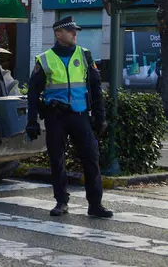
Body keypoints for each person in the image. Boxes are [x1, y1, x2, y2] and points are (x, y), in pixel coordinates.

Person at [26, 16, 113, 218]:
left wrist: (100, 117)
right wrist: (32, 121)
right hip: (55, 117)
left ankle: (95, 205)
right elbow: (32, 93)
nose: (75, 34)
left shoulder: (84, 55)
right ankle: (61, 202)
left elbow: (95, 88)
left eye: (75, 31)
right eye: (71, 31)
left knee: (91, 159)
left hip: (80, 116)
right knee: (57, 160)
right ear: (58, 34)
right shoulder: (45, 59)